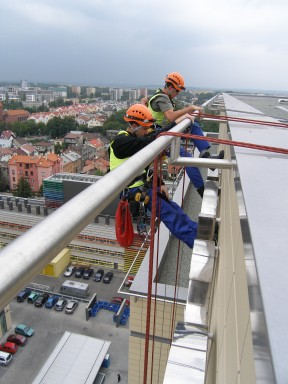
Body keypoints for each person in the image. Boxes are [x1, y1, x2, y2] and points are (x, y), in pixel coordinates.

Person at [109, 103, 198, 249]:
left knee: (174, 209)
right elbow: (147, 141)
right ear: (133, 126)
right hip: (135, 190)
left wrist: (160, 182)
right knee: (171, 215)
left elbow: (144, 168)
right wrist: (174, 123)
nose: (146, 131)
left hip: (144, 186)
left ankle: (198, 232)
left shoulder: (132, 140)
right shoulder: (121, 143)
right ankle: (196, 242)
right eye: (144, 128)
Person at [144, 71, 224, 197]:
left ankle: (207, 158)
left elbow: (145, 100)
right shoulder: (162, 98)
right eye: (176, 91)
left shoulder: (158, 96)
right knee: (187, 159)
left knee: (192, 125)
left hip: (162, 133)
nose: (177, 94)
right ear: (170, 87)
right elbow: (170, 117)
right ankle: (203, 188)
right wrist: (190, 108)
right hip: (159, 136)